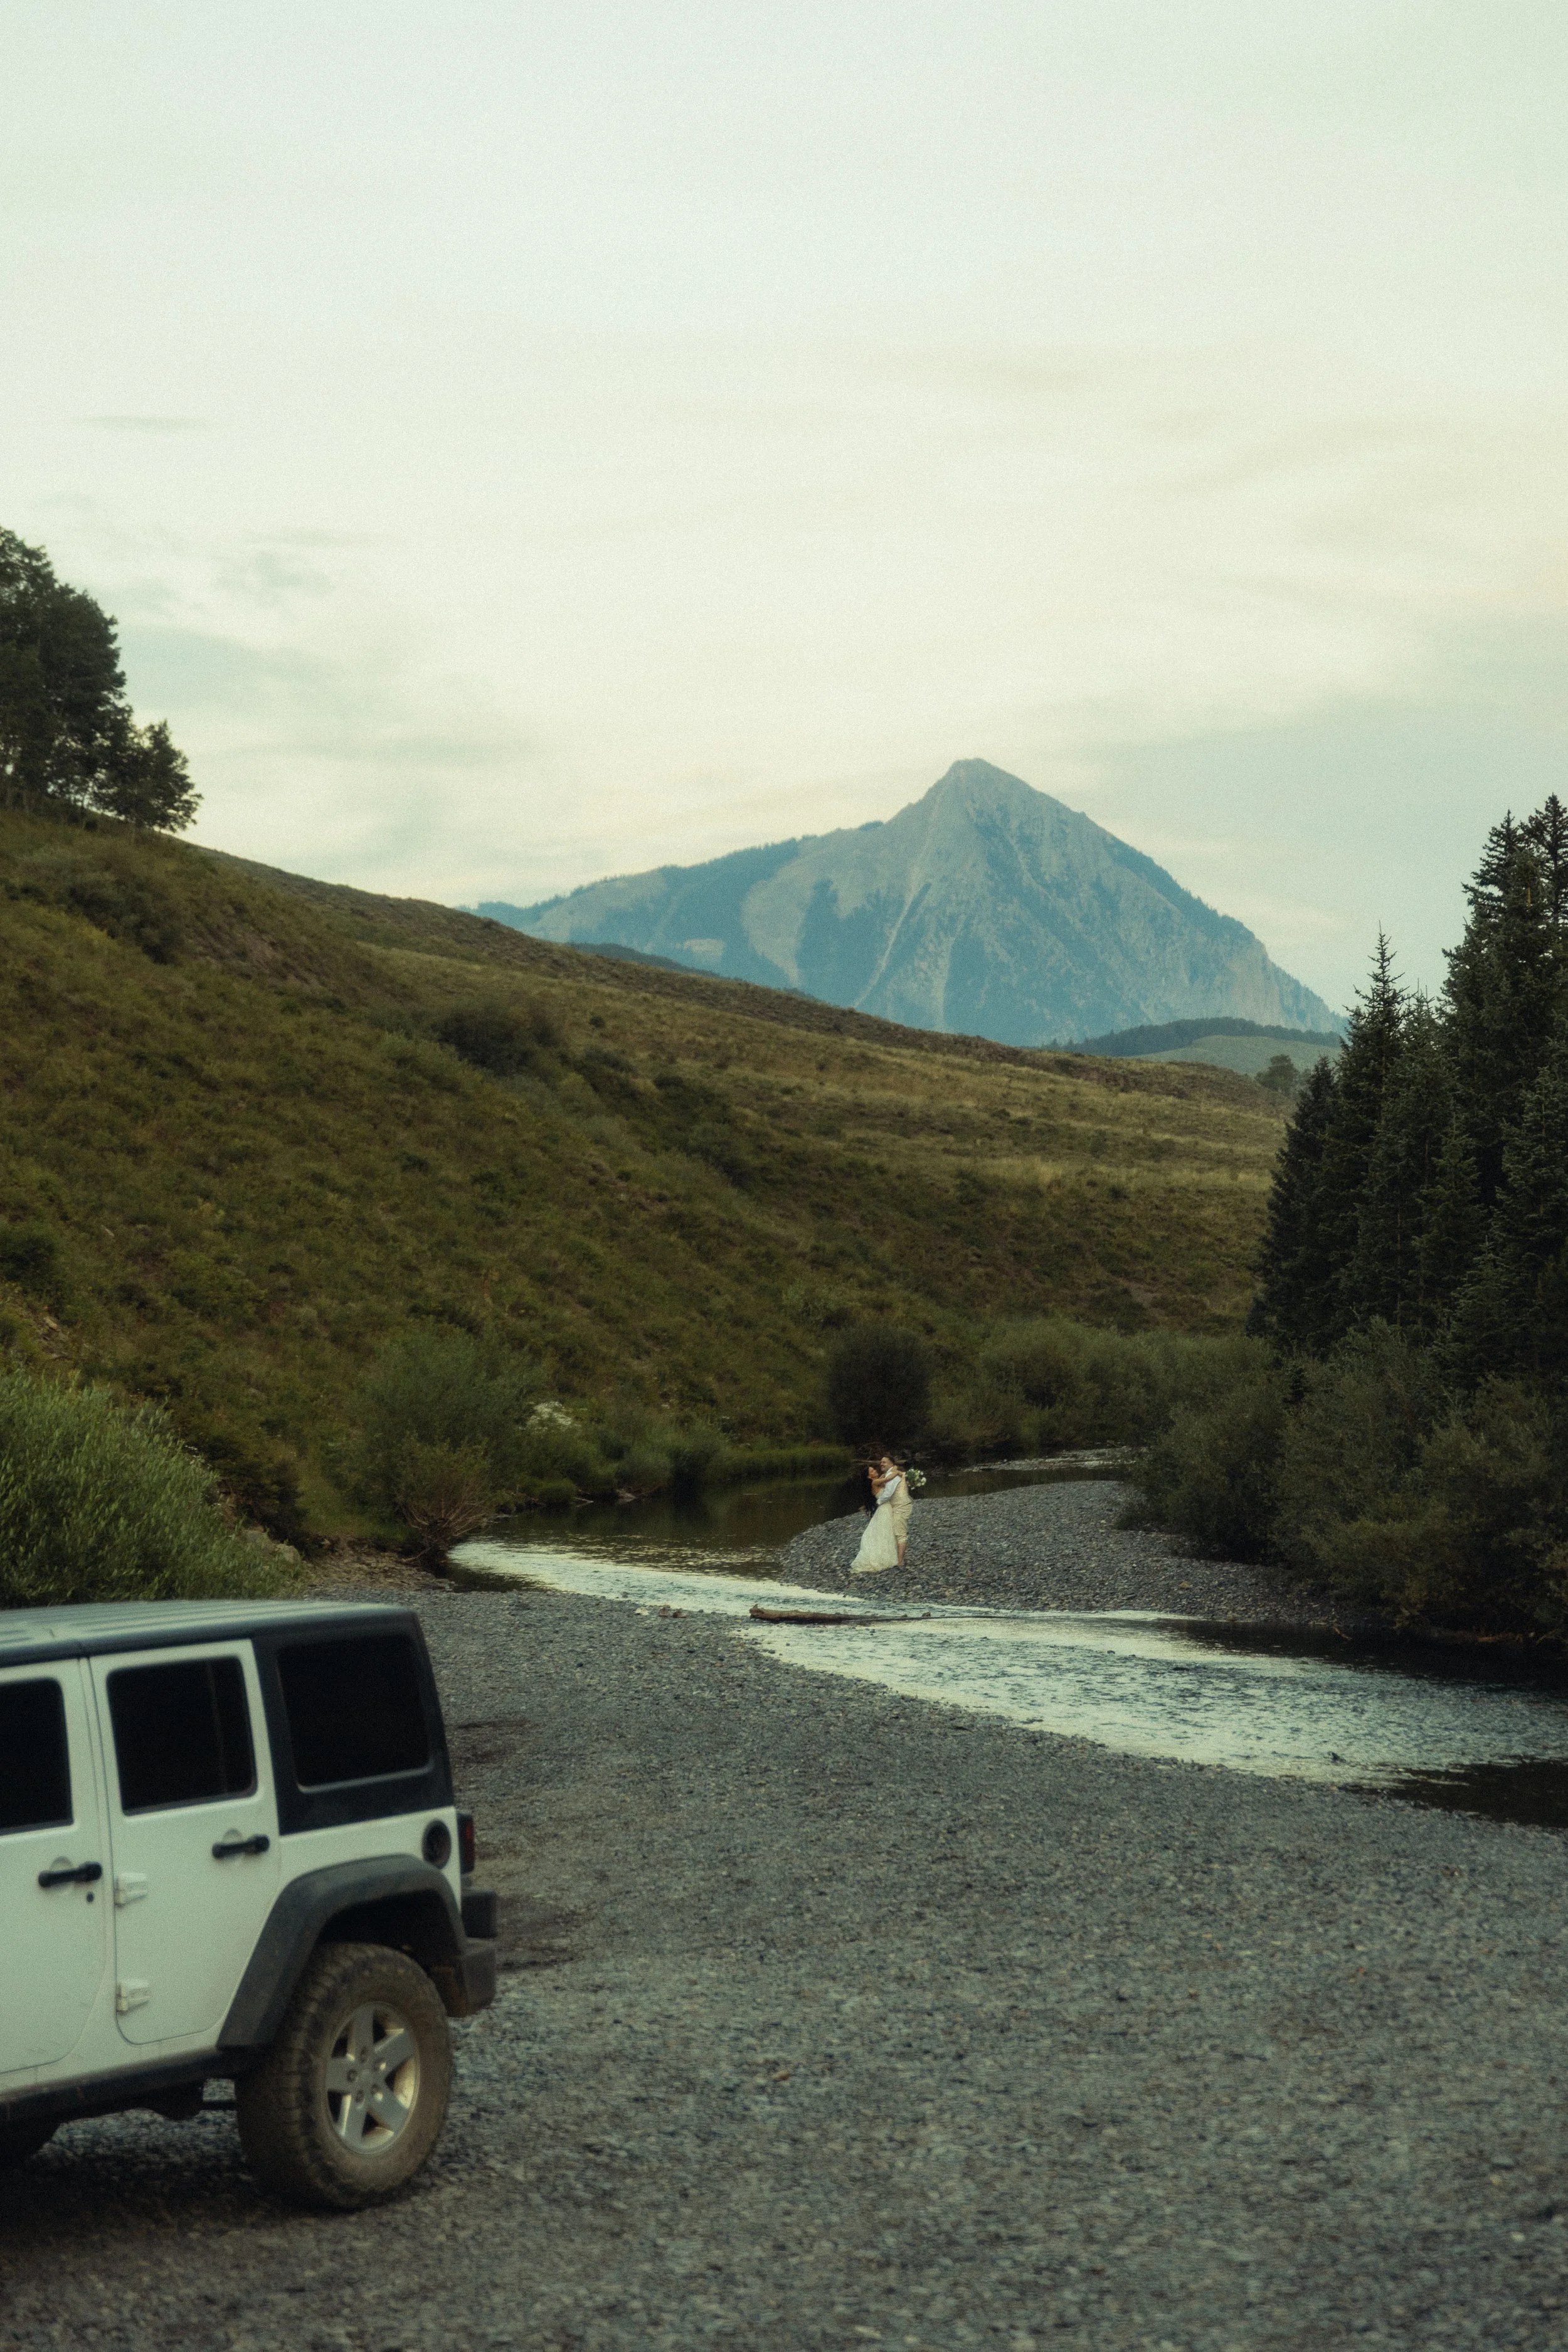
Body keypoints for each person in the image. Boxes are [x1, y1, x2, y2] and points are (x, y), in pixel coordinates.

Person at [850, 1456, 904, 1575]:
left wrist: (895, 1470)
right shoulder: (875, 1482)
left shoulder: (876, 1480)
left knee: (885, 1533)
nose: (875, 1471)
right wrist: (897, 1473)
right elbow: (888, 1478)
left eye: (874, 1470)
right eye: (872, 1471)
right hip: (884, 1510)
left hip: (885, 1508)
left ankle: (888, 1555)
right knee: (886, 1532)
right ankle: (885, 1557)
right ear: (870, 1477)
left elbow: (885, 1477)